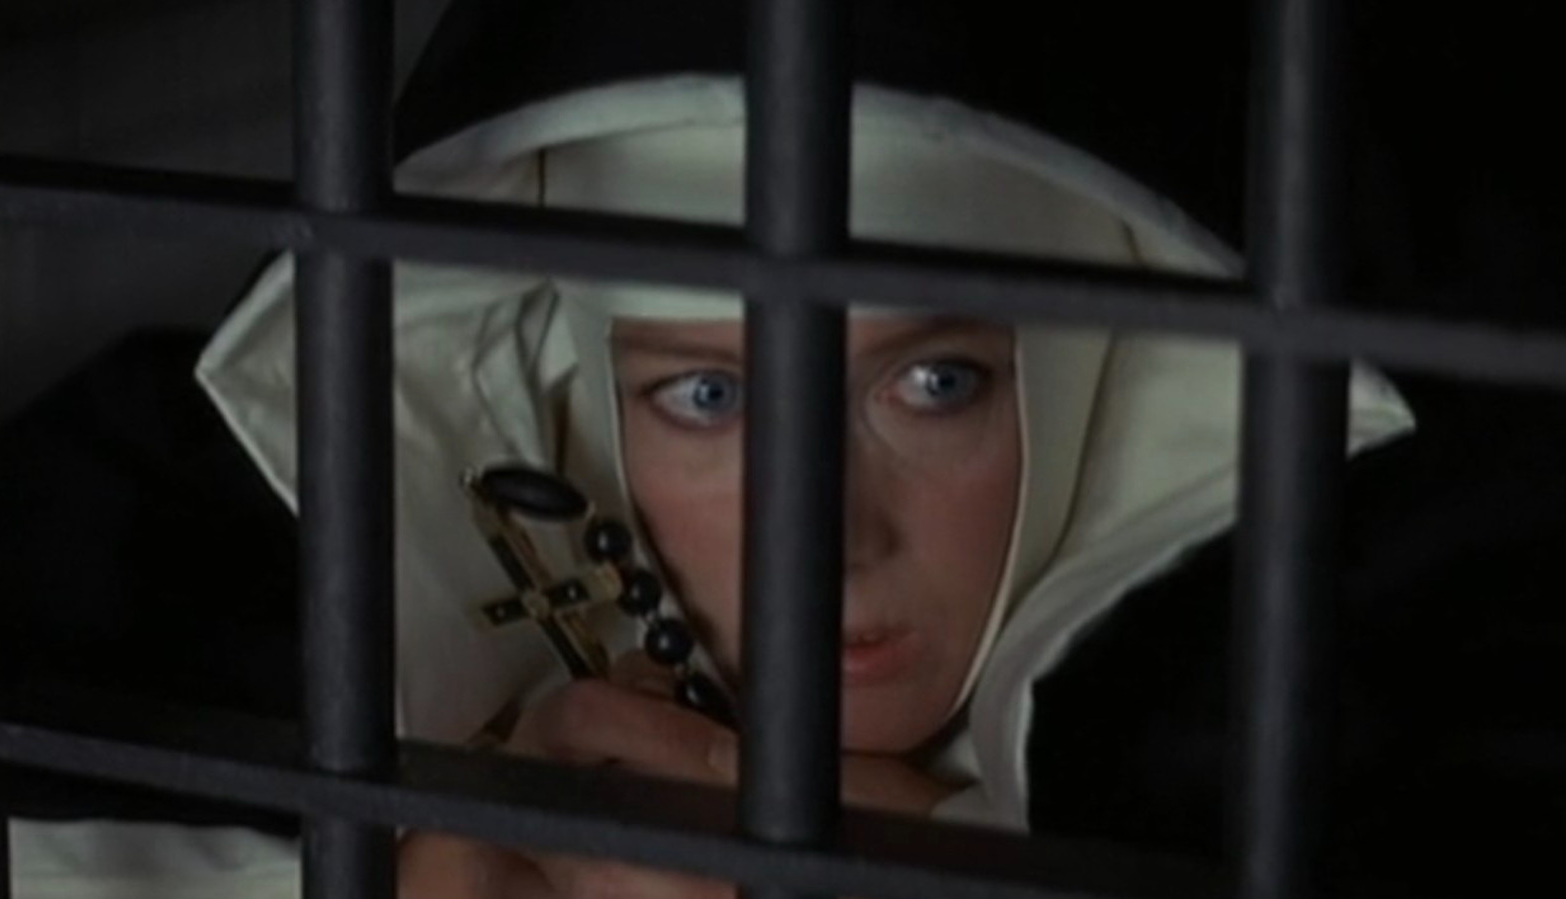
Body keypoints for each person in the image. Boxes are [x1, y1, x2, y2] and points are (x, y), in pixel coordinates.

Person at [195, 5, 1420, 899]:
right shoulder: (201, 609)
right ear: (586, 387)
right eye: (706, 394)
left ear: (1089, 363)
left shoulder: (1384, 701)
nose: (825, 542)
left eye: (932, 384)